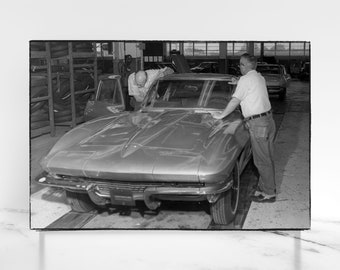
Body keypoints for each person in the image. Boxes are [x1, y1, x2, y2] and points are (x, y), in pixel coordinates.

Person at [210, 53, 276, 203]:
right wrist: (238, 80)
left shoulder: (246, 80)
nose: (239, 66)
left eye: (241, 64)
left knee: (261, 160)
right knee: (267, 157)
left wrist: (221, 115)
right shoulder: (259, 77)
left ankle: (269, 193)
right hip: (268, 120)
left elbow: (234, 101)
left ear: (246, 66)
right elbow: (249, 83)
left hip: (258, 124)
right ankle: (265, 187)